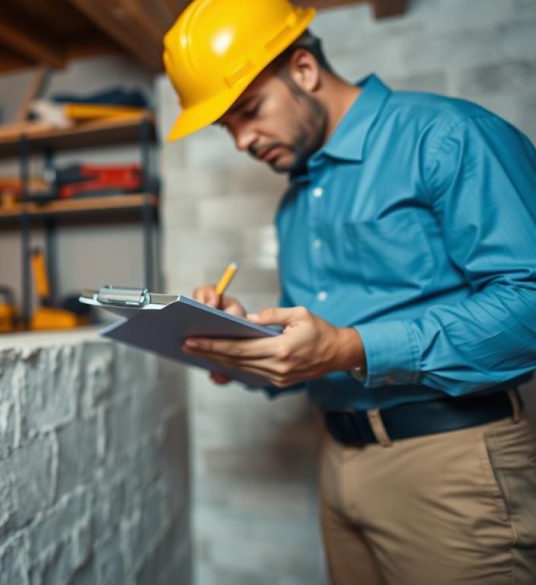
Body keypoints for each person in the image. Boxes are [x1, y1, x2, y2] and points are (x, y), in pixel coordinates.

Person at [163, 0, 536, 583]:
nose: (239, 141)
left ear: (304, 69)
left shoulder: (447, 137)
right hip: (338, 466)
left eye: (248, 110)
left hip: (452, 463)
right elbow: (320, 353)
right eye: (225, 125)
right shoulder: (295, 203)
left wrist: (349, 347)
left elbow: (530, 305)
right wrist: (242, 344)